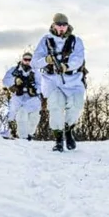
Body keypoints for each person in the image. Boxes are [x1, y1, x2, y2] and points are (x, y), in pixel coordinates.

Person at [31, 13, 86, 152]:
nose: (61, 28)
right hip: (52, 81)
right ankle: (58, 139)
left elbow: (78, 59)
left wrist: (66, 66)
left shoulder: (76, 41)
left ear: (67, 26)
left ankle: (68, 130)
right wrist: (46, 60)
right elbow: (34, 62)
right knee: (55, 106)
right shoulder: (46, 40)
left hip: (73, 80)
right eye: (59, 25)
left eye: (64, 25)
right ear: (53, 25)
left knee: (76, 105)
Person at [2, 52, 43, 141]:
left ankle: (29, 134)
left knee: (34, 117)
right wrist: (15, 80)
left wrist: (35, 90)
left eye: (29, 60)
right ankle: (16, 134)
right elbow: (5, 80)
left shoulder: (36, 72)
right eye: (25, 59)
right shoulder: (14, 70)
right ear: (22, 60)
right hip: (18, 97)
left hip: (32, 98)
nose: (27, 62)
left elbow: (41, 85)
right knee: (17, 114)